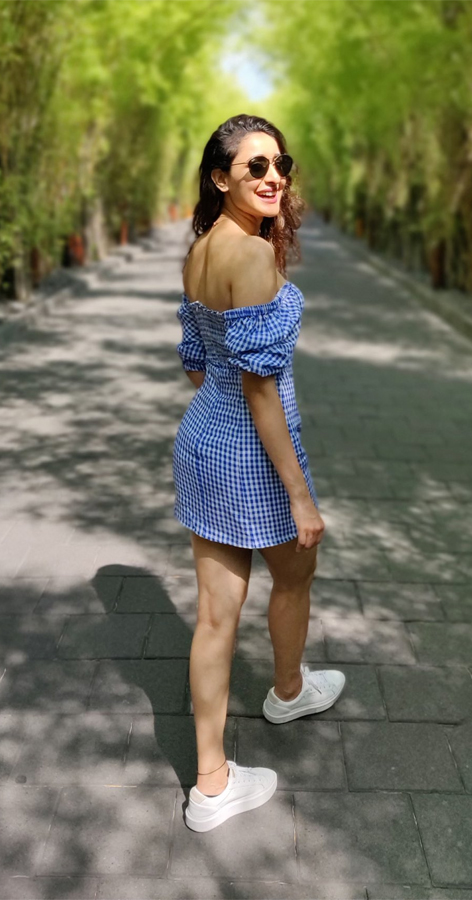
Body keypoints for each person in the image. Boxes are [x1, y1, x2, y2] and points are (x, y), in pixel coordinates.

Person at [172, 114, 346, 833]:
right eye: (255, 167)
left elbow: (196, 360)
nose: (274, 177)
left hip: (204, 439)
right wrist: (299, 495)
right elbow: (261, 389)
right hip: (254, 451)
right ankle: (287, 691)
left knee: (216, 615)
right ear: (221, 178)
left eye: (280, 164)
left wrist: (222, 410)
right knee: (297, 570)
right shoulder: (247, 256)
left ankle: (210, 783)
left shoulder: (201, 248)